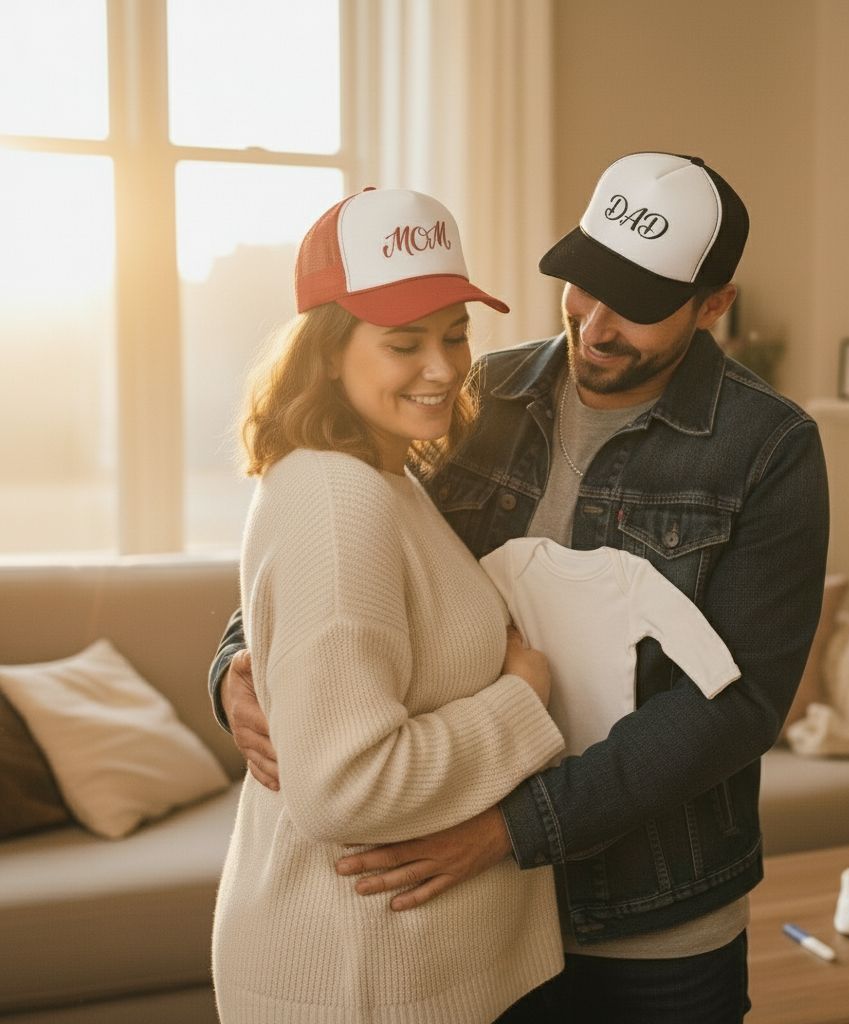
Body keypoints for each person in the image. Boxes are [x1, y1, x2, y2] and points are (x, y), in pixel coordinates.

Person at [211, 153, 830, 1023]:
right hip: (480, 924)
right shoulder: (477, 395)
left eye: (639, 304)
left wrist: (512, 828)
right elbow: (339, 556)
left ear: (713, 304)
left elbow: (740, 704)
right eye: (587, 285)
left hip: (652, 913)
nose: (597, 325)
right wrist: (237, 664)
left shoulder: (769, 449)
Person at [211, 186, 568, 1024]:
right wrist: (522, 699)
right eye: (405, 343)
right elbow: (345, 787)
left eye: (455, 334)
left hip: (401, 963)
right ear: (328, 352)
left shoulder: (385, 475)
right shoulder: (339, 499)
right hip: (358, 978)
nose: (443, 368)